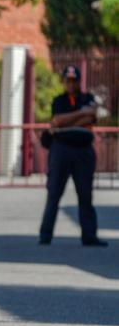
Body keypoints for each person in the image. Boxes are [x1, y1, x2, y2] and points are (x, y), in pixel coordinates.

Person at [38, 65, 106, 246]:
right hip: (61, 150)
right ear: (64, 82)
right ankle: (45, 235)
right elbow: (57, 121)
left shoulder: (87, 98)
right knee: (54, 193)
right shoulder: (59, 100)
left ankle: (89, 236)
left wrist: (71, 118)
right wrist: (80, 114)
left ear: (78, 81)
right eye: (67, 81)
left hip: (83, 150)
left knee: (85, 195)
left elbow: (91, 116)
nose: (71, 84)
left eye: (74, 81)